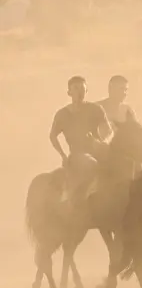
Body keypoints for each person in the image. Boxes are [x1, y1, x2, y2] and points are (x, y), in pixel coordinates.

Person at [49, 76, 113, 206]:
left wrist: (102, 142)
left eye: (82, 88)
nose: (80, 92)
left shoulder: (96, 109)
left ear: (87, 90)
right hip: (78, 155)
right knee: (91, 164)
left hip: (99, 151)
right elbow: (52, 136)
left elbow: (108, 130)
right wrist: (63, 155)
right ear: (69, 92)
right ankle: (84, 199)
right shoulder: (62, 114)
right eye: (76, 88)